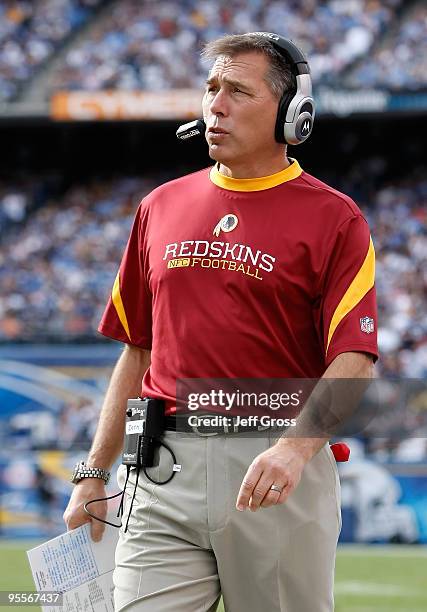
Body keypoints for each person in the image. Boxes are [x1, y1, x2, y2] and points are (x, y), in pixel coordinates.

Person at [64, 32, 378, 612]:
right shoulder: (159, 206)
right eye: (211, 88)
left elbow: (354, 358)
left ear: (291, 114)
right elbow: (137, 350)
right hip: (159, 467)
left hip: (273, 467)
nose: (215, 104)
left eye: (237, 90)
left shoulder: (336, 219)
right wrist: (92, 470)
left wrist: (294, 449)